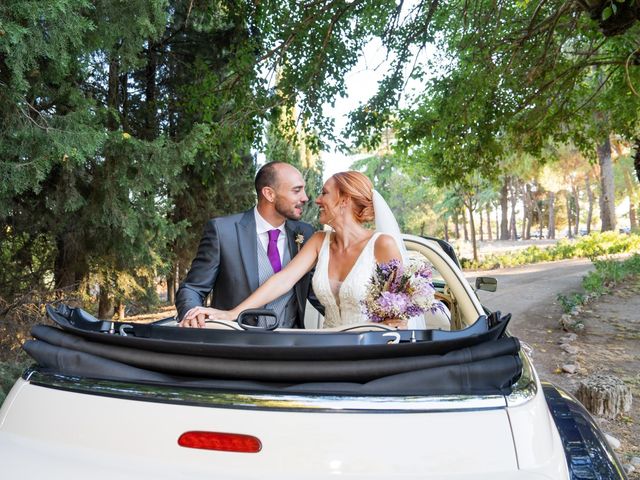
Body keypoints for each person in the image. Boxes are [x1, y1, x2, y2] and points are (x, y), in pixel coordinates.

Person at [181, 170, 409, 328]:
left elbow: (400, 308)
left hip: (369, 347)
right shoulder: (319, 240)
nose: (314, 199)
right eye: (297, 190)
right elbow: (283, 280)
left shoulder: (383, 245)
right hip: (326, 346)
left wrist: (399, 319)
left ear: (344, 200)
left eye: (324, 193)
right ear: (269, 193)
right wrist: (230, 315)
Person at [176, 161, 323, 328]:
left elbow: (318, 290)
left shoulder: (305, 233)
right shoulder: (223, 231)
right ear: (269, 194)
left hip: (290, 345)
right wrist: (192, 315)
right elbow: (192, 288)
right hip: (235, 345)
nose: (305, 198)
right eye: (296, 190)